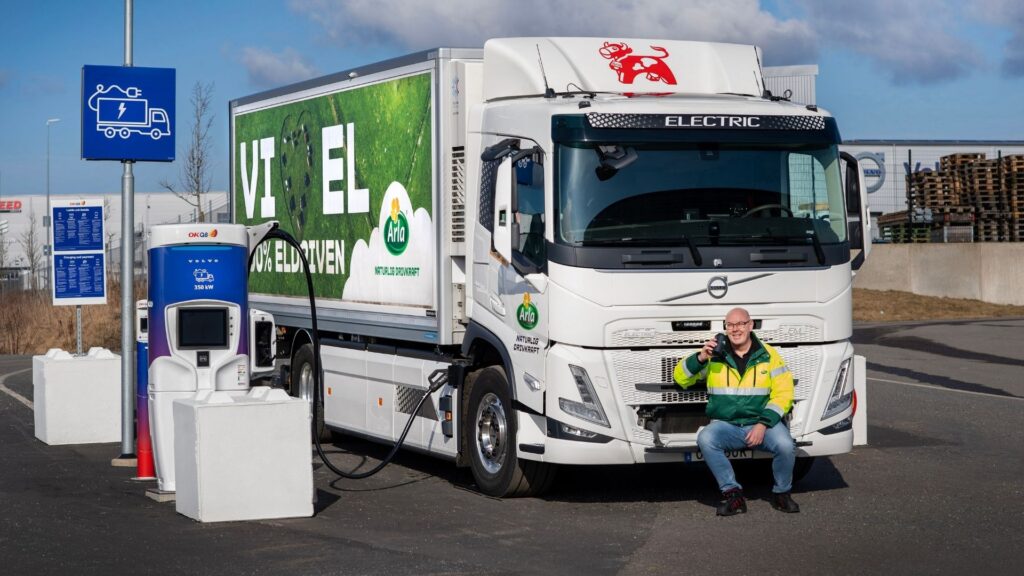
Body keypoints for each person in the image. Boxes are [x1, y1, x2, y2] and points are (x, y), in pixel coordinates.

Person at [673, 307, 800, 516]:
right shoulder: (715, 356)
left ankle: (782, 494)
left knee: (786, 445)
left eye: (740, 324)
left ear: (750, 325)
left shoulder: (769, 356)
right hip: (726, 425)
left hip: (761, 423)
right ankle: (733, 496)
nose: (735, 329)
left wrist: (762, 424)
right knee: (706, 439)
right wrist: (701, 357)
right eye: (730, 325)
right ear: (725, 328)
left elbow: (784, 393)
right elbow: (681, 377)